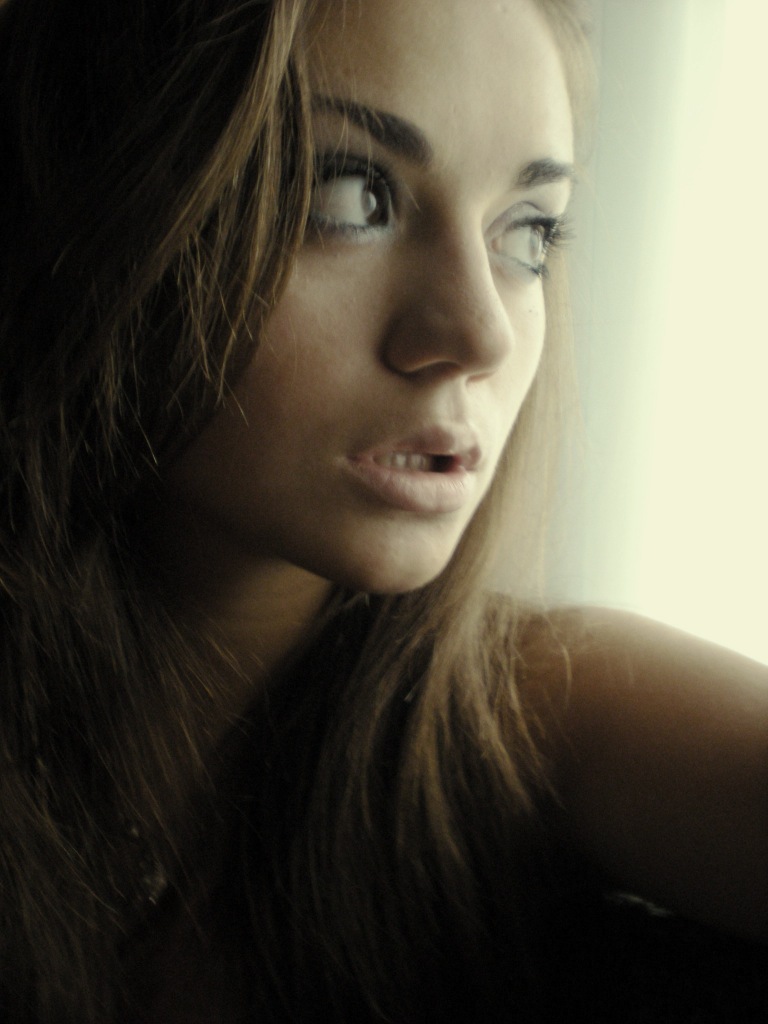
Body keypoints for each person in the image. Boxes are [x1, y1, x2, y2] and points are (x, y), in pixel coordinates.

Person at [0, 0, 765, 1020]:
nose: (482, 333)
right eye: (353, 195)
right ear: (100, 193)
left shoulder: (529, 716)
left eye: (527, 232)